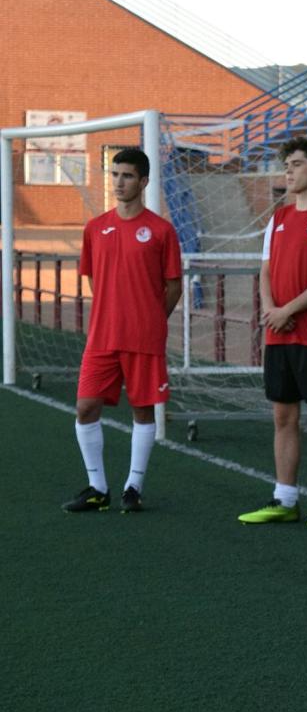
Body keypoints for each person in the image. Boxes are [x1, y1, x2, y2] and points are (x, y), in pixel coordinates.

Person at [237, 137, 307, 528]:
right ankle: (284, 498)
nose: (288, 171)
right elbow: (266, 269)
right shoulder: (279, 218)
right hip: (278, 333)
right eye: (287, 165)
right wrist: (271, 309)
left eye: (297, 164)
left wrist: (288, 309)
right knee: (282, 417)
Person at [63, 148, 182, 514]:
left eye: (127, 175)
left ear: (143, 181)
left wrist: (149, 318)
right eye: (114, 174)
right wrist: (114, 313)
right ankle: (98, 487)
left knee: (142, 411)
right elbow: (96, 281)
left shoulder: (161, 230)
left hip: (144, 338)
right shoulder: (95, 228)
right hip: (103, 336)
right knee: (85, 407)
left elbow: (173, 286)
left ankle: (134, 486)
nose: (118, 182)